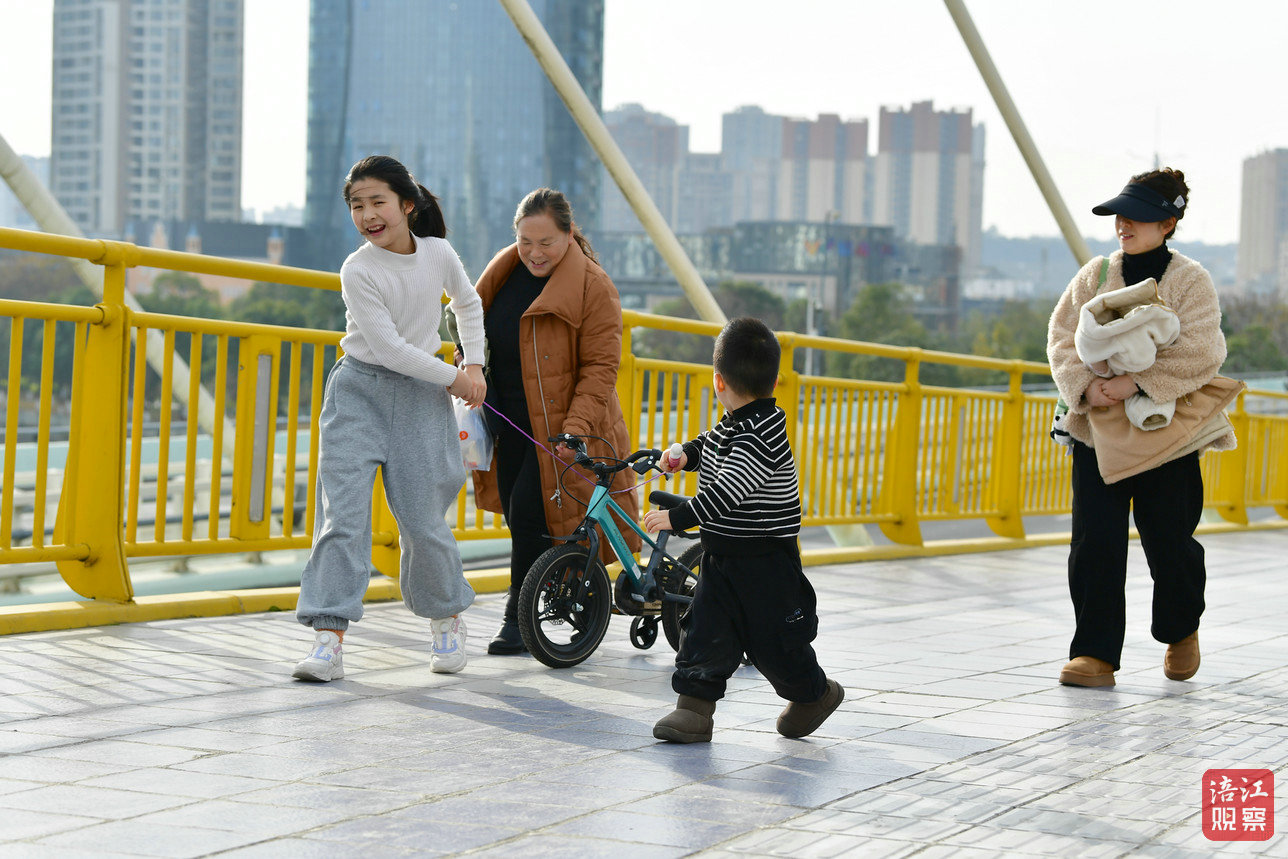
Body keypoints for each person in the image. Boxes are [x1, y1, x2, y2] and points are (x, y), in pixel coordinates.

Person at [293, 155, 487, 681]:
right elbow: (390, 349)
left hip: (421, 400)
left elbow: (468, 304)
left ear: (407, 205)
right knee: (342, 518)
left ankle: (446, 619)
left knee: (424, 522)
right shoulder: (357, 269)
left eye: (377, 201)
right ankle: (327, 638)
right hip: (359, 393)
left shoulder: (438, 253)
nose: (367, 215)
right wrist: (456, 379)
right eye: (357, 205)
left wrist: (474, 363)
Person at [1047, 168, 1232, 688]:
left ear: (1168, 224)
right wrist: (1087, 387)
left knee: (1170, 543)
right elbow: (1061, 338)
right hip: (1097, 432)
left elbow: (1204, 351)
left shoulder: (1191, 279)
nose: (1123, 225)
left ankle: (1181, 629)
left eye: (1137, 217)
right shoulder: (1095, 273)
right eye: (1119, 216)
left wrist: (1137, 382)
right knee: (1094, 543)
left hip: (1167, 436)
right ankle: (1095, 653)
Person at [643, 317, 844, 743]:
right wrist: (686, 455)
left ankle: (814, 695)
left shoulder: (762, 435)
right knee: (704, 631)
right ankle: (693, 710)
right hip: (722, 558)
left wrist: (677, 518)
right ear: (774, 379)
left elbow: (726, 493)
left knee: (776, 644)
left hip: (766, 564)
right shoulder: (735, 422)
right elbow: (711, 442)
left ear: (718, 381)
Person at [467, 188, 640, 655]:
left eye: (546, 242)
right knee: (525, 515)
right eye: (525, 241)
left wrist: (576, 428)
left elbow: (601, 368)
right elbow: (472, 331)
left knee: (531, 513)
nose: (534, 253)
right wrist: (468, 365)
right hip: (508, 423)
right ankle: (581, 598)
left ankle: (517, 620)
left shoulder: (593, 285)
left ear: (568, 234)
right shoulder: (502, 273)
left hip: (564, 429)